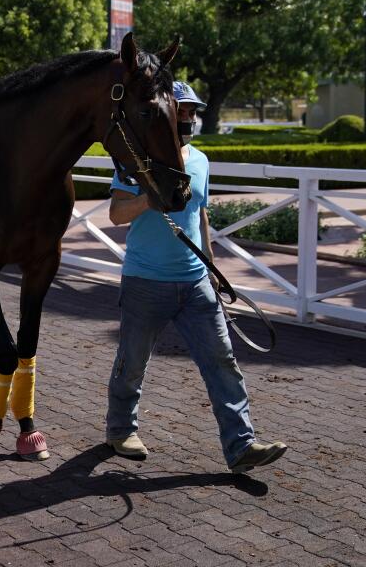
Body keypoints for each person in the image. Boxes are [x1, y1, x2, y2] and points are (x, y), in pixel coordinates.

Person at [104, 80, 287, 473]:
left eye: (191, 111)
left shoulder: (201, 160)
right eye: (181, 110)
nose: (187, 117)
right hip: (145, 281)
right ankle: (120, 430)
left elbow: (200, 215)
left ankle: (241, 445)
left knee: (222, 361)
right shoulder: (134, 160)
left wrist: (212, 265)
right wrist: (147, 200)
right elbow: (117, 215)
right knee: (132, 361)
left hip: (195, 282)